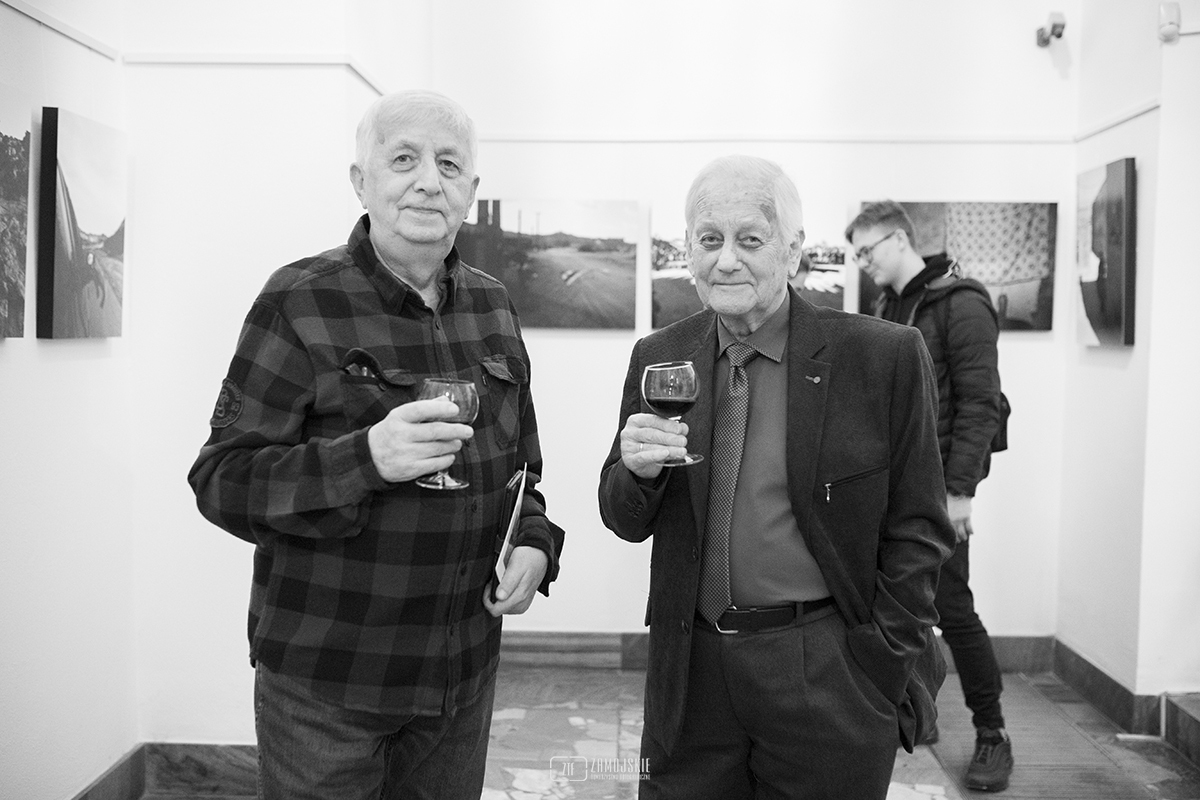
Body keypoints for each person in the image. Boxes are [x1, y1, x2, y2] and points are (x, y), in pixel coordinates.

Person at [188, 90, 564, 800]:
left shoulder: (493, 303)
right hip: (330, 687)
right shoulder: (299, 300)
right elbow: (221, 481)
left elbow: (523, 474)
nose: (428, 181)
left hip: (460, 681)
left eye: (448, 164)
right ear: (361, 182)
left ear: (471, 190)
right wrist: (365, 460)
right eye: (404, 160)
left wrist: (536, 544)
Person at [598, 156, 955, 799]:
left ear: (793, 252)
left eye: (750, 239)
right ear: (688, 251)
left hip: (826, 669)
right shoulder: (661, 355)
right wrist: (635, 472)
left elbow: (920, 530)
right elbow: (622, 516)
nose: (726, 260)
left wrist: (880, 667)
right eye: (709, 240)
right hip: (692, 673)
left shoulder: (882, 357)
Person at [846, 199, 1011, 792]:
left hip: (940, 491)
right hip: (891, 488)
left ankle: (992, 733)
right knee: (899, 604)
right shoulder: (887, 307)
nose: (863, 263)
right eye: (856, 255)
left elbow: (981, 405)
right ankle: (920, 710)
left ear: (898, 239)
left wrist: (960, 493)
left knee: (954, 609)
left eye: (867, 250)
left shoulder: (961, 303)